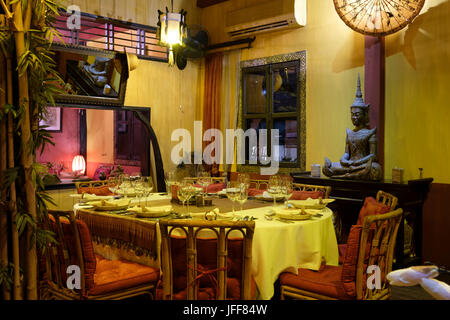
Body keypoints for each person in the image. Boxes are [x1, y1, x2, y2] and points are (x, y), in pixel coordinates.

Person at [322, 75, 382, 181]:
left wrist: (359, 162)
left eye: (357, 114)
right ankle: (351, 174)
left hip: (362, 164)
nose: (354, 117)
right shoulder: (350, 133)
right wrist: (343, 160)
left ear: (364, 115)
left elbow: (374, 155)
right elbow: (346, 153)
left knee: (375, 169)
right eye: (352, 114)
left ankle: (344, 175)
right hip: (350, 165)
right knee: (329, 166)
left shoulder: (370, 133)